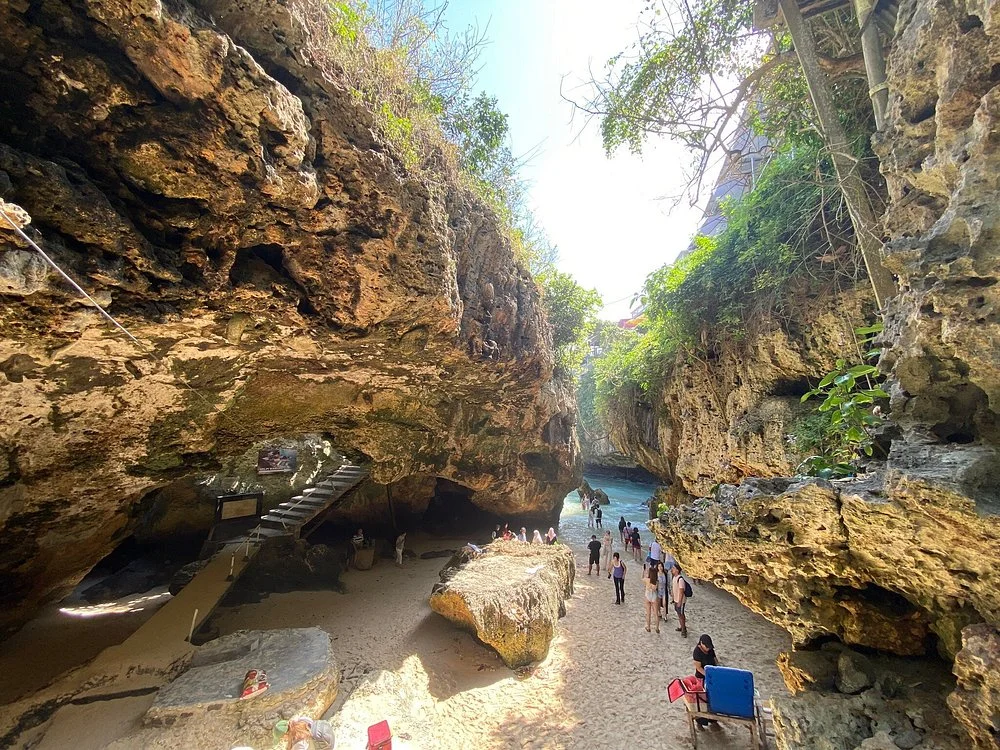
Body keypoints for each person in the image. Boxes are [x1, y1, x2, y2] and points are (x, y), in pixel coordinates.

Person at [692, 635, 720, 728]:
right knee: (702, 699)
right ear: (701, 643)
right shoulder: (697, 652)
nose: (708, 648)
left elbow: (715, 660)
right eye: (706, 646)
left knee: (713, 697)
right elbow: (698, 668)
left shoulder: (710, 650)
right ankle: (701, 721)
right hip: (702, 677)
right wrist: (708, 675)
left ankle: (713, 718)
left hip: (712, 676)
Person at [672, 563, 688, 637]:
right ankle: (682, 626)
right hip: (676, 599)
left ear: (677, 570)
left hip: (680, 601)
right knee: (679, 614)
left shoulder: (680, 579)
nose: (672, 569)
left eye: (674, 568)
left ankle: (684, 630)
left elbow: (681, 591)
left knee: (681, 614)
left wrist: (679, 602)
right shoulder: (674, 578)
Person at [644, 565, 660, 633]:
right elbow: (657, 588)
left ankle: (648, 627)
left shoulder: (647, 580)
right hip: (654, 596)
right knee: (656, 613)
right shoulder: (657, 581)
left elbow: (642, 578)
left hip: (647, 595)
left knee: (648, 613)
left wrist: (644, 571)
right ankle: (657, 628)